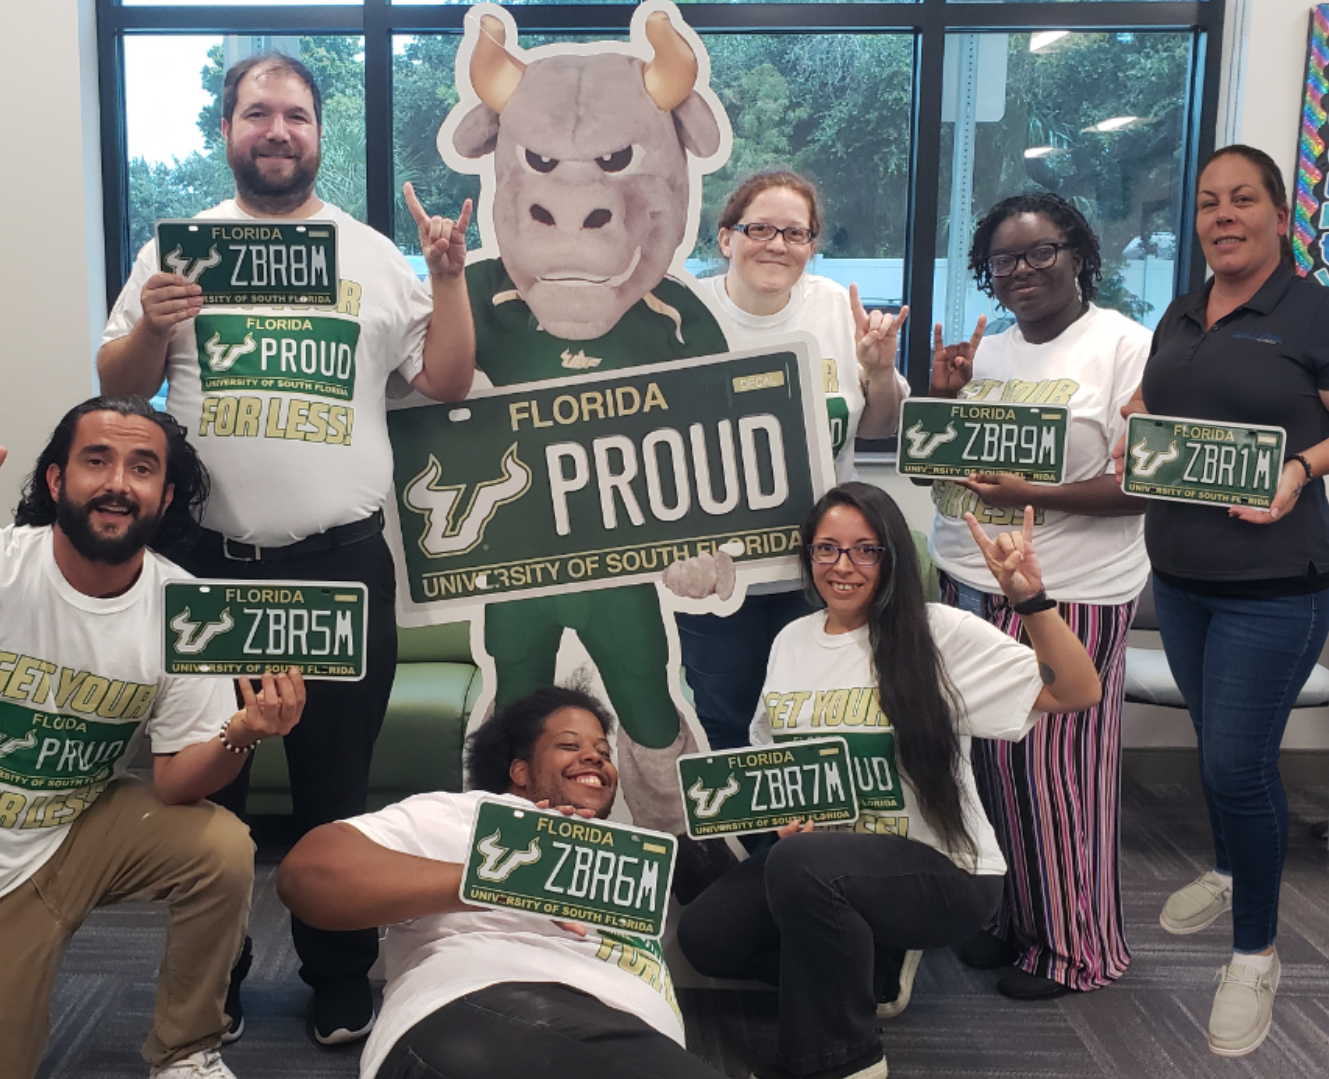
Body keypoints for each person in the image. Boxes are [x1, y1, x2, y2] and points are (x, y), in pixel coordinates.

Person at [96, 52, 475, 1044]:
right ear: (225, 131)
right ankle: (212, 975)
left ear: (317, 133)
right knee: (204, 782)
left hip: (339, 563)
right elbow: (121, 381)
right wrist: (149, 321)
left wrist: (445, 273)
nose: (276, 130)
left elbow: (443, 380)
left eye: (295, 116)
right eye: (256, 113)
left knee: (330, 785)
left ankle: (338, 973)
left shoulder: (371, 257)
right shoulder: (178, 252)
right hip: (208, 564)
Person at [0, 396, 303, 1079]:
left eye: (141, 467)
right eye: (96, 460)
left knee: (221, 846)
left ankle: (185, 1049)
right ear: (57, 481)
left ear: (164, 497)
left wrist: (243, 732)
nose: (118, 481)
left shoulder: (184, 608)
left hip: (81, 830)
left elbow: (175, 780)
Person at [1118, 145, 1329, 1057]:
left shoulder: (1319, 314)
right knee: (1218, 752)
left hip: (1275, 587)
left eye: (1243, 199)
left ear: (1280, 214)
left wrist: (1299, 466)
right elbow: (1152, 399)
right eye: (1207, 202)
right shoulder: (1184, 308)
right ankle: (1231, 862)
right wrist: (1133, 425)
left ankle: (1256, 951)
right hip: (1184, 578)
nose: (1222, 215)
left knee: (1239, 766)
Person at [677, 482, 1102, 1079]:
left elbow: (1077, 691)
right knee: (706, 938)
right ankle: (867, 970)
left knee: (803, 869)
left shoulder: (938, 633)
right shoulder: (792, 641)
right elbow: (773, 761)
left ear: (892, 556)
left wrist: (1030, 600)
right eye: (826, 549)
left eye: (864, 550)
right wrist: (783, 817)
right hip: (829, 865)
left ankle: (842, 1057)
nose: (842, 566)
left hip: (943, 868)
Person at [925, 192, 1150, 1000]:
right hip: (968, 578)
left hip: (1069, 592)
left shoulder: (1125, 346)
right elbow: (962, 460)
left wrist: (1035, 492)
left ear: (1077, 253)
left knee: (1058, 776)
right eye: (1001, 261)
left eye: (1038, 252)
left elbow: (1144, 484)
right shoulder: (988, 352)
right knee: (987, 763)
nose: (1020, 271)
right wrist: (946, 394)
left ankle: (1075, 947)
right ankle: (1012, 916)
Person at [276, 683, 729, 1079]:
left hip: (631, 1037)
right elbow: (309, 874)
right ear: (519, 771)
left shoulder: (630, 861)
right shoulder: (468, 816)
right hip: (488, 1011)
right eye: (570, 745)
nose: (595, 756)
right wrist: (509, 882)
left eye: (603, 752)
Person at [679, 170, 910, 753]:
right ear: (726, 238)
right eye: (759, 228)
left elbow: (877, 426)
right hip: (719, 572)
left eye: (796, 233)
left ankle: (814, 848)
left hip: (822, 568)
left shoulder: (834, 306)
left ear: (811, 244)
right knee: (728, 725)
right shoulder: (682, 314)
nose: (777, 244)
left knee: (814, 724)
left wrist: (880, 372)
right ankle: (755, 848)